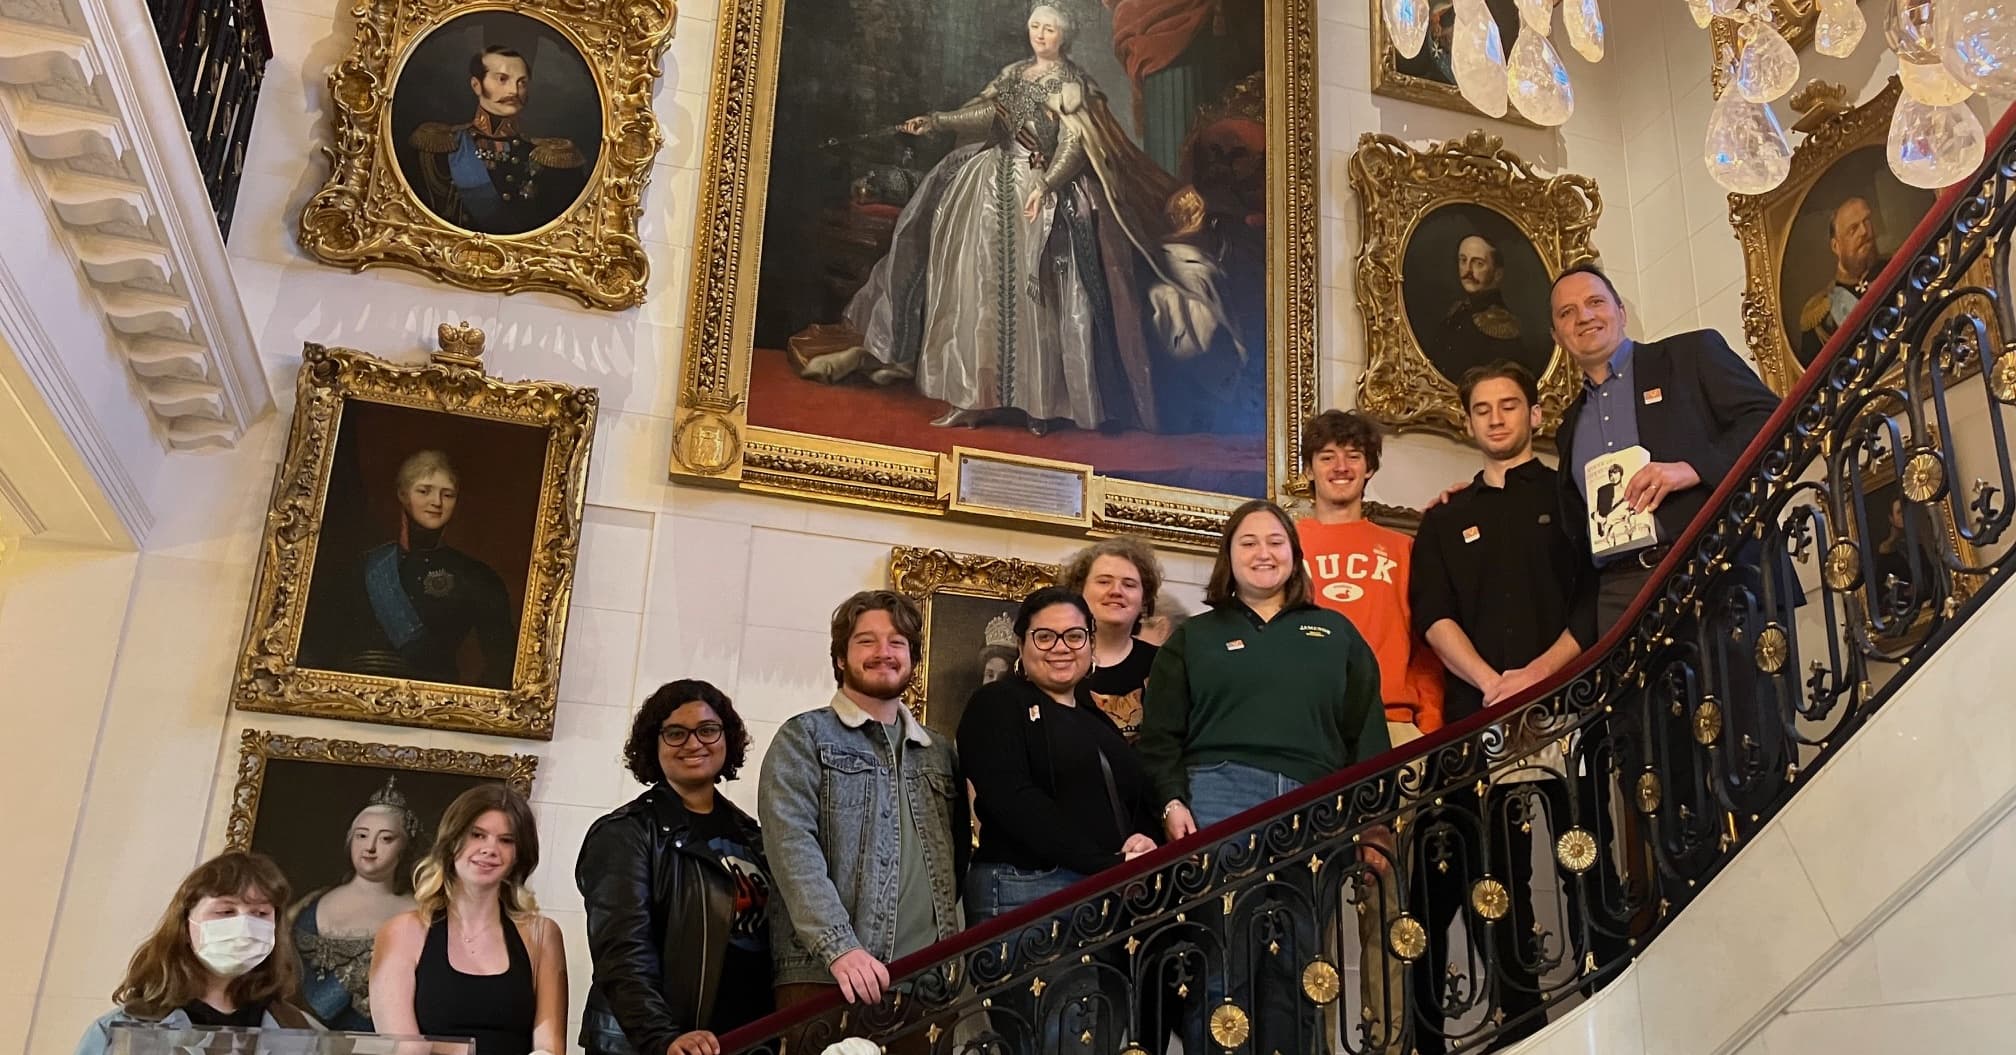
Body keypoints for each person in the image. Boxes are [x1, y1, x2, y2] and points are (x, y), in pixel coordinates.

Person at [795, 4, 1176, 437]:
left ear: (1063, 36)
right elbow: (989, 115)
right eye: (1035, 26)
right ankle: (973, 400)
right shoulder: (1013, 73)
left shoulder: (1073, 86)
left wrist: (1047, 185)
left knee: (1043, 301)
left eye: (1049, 29)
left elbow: (1074, 143)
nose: (1040, 35)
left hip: (1041, 195)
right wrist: (937, 121)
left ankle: (1042, 405)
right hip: (986, 191)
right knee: (976, 295)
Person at [1137, 499, 1393, 1054]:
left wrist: (1374, 824)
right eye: (1248, 542)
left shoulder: (1337, 633)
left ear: (1295, 557)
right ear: (1229, 557)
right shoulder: (1194, 638)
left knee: (1299, 968)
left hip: (1316, 806)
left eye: (1276, 541)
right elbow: (1158, 738)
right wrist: (1171, 802)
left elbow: (1367, 738)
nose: (1263, 553)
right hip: (1218, 799)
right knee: (1222, 968)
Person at [1406, 361, 1601, 1052]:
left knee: (1587, 866)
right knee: (1489, 878)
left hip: (1570, 710)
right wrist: (1494, 684)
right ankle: (1504, 1032)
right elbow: (1432, 614)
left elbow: (1593, 599)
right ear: (1467, 420)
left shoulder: (1569, 496)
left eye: (1509, 405)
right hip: (1476, 725)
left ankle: (1597, 1012)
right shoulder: (1445, 517)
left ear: (1535, 415)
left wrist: (1537, 677)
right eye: (1482, 407)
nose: (1495, 417)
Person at [759, 591, 967, 1055]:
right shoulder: (804, 736)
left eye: (896, 642)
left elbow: (956, 858)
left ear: (912, 656)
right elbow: (792, 850)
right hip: (828, 977)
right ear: (840, 657)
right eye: (866, 641)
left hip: (925, 983)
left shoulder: (938, 751)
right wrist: (840, 948)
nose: (883, 652)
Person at [957, 586, 1162, 1052]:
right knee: (1055, 1041)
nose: (1061, 648)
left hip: (1101, 893)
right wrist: (1105, 861)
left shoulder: (1095, 716)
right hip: (1026, 891)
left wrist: (1140, 842)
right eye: (1045, 636)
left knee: (1097, 1039)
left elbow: (1132, 796)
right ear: (1022, 644)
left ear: (1090, 642)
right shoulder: (997, 704)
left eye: (1074, 636)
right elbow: (1014, 800)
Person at [578, 680, 772, 1055]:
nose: (694, 743)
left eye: (708, 730)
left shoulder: (752, 835)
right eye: (676, 733)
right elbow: (622, 953)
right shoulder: (626, 833)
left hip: (738, 1041)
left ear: (726, 738)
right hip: (657, 1046)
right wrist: (663, 1038)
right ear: (654, 743)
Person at [370, 785, 567, 1055]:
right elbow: (405, 1048)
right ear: (452, 842)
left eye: (506, 840)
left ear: (518, 855)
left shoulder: (543, 934)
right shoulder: (401, 932)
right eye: (477, 835)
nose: (490, 849)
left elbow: (549, 1047)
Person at [298, 449, 519, 688]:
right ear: (403, 495)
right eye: (424, 491)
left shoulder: (476, 577)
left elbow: (502, 664)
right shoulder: (361, 569)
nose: (437, 502)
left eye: (448, 494)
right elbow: (316, 649)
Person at [1295, 410, 1446, 746]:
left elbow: (1428, 646)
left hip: (1391, 721)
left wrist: (1429, 725)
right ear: (1308, 469)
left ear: (1370, 468)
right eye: (1327, 457)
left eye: (1354, 456)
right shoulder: (1283, 548)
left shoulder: (1404, 549)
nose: (1341, 467)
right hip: (1304, 721)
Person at [76, 851, 314, 1054]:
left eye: (260, 914)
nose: (245, 926)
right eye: (225, 911)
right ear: (186, 925)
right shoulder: (120, 1032)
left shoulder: (300, 1032)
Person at [408, 46, 589, 235]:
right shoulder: (437, 146)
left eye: (522, 83)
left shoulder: (554, 159)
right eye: (502, 79)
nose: (514, 91)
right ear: (476, 85)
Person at [290, 777, 421, 1031]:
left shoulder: (418, 913)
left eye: (386, 839)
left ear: (404, 848)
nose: (370, 847)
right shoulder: (311, 904)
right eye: (362, 836)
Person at [1061, 535, 1165, 739]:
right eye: (1104, 581)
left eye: (1129, 584)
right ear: (1079, 591)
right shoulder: (1054, 658)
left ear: (1144, 600)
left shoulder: (1165, 664)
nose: (1116, 591)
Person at [1798, 196, 1888, 366]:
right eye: (1853, 229)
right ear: (1835, 246)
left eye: (1867, 221)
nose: (1864, 231)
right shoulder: (1819, 315)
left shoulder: (1895, 269)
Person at [1429, 235, 1530, 382]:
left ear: (1497, 274)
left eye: (1478, 263)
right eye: (1463, 260)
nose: (1468, 270)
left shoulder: (1502, 325)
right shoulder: (1457, 311)